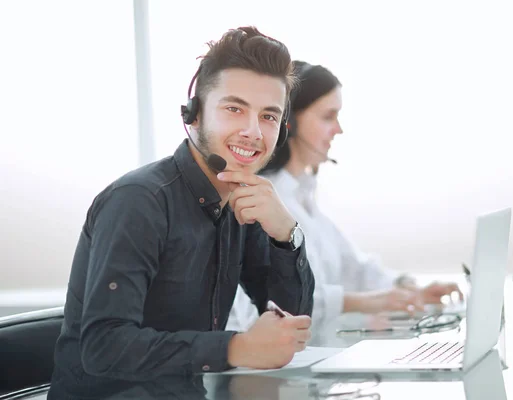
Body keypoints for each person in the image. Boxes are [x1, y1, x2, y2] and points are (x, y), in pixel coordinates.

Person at [47, 27, 315, 399]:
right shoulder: (138, 201)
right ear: (194, 115)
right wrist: (236, 348)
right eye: (234, 108)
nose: (253, 132)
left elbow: (291, 326)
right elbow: (102, 346)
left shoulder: (244, 201)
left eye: (269, 116)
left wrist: (286, 234)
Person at [226, 61, 460, 343]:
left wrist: (409, 287)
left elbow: (356, 268)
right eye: (328, 117)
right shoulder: (264, 201)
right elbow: (272, 305)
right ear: (292, 123)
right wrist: (371, 302)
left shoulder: (304, 198)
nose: (337, 129)